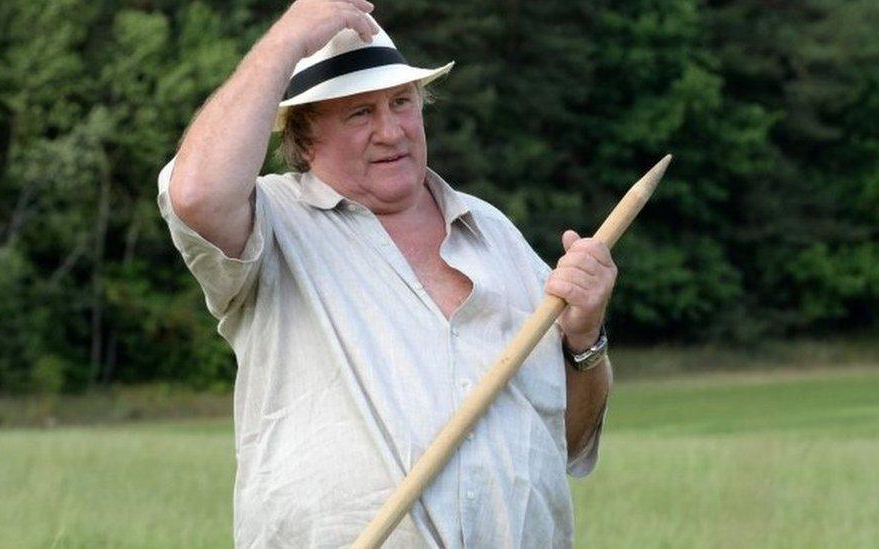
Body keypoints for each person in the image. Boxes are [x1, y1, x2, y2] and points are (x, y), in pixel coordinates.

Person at [157, 1, 615, 546]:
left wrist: (586, 341)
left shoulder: (495, 233)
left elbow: (566, 439)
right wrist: (284, 42)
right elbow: (196, 194)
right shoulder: (272, 223)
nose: (392, 131)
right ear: (305, 138)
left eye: (401, 102)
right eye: (359, 113)